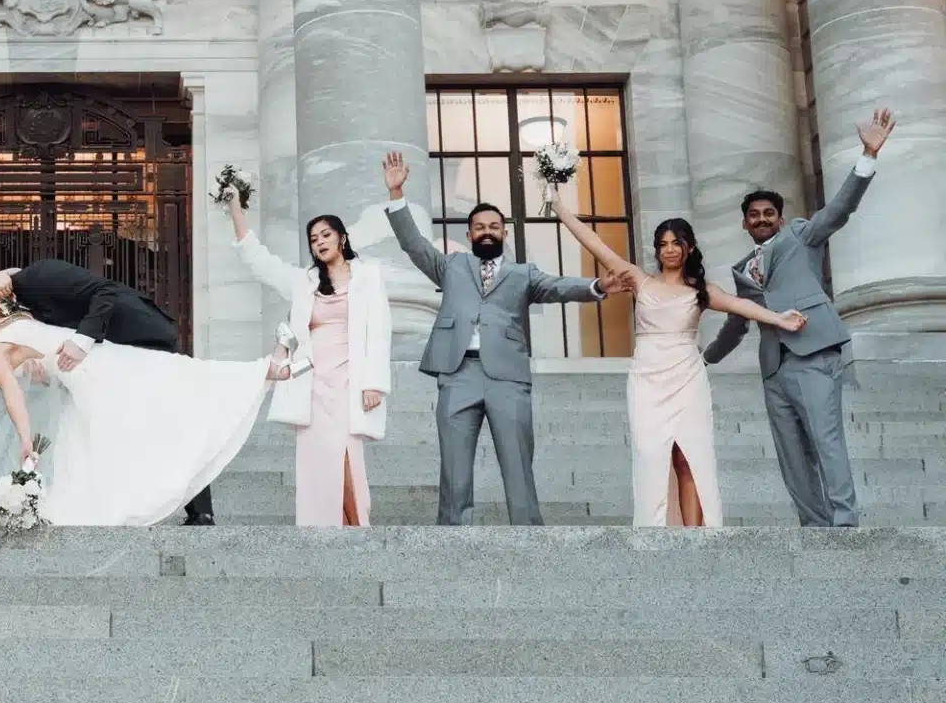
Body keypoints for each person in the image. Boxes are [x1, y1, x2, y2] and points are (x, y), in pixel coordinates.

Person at [380, 151, 626, 526]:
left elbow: (558, 287)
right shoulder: (451, 266)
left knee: (516, 463)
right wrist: (397, 194)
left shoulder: (522, 273)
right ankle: (452, 536)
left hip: (508, 378)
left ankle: (528, 534)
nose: (487, 232)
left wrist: (596, 285)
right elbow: (415, 245)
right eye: (480, 227)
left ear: (504, 232)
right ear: (469, 234)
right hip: (458, 373)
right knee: (455, 470)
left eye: (494, 226)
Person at [0, 296, 301, 527]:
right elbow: (13, 397)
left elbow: (39, 335)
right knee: (175, 380)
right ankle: (266, 369)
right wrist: (24, 439)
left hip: (95, 358)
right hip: (91, 374)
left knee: (176, 374)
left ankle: (266, 370)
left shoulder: (3, 321)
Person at [549, 198, 807, 526]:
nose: (670, 250)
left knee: (689, 458)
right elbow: (594, 242)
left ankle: (695, 538)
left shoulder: (702, 290)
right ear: (657, 250)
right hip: (646, 379)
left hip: (686, 376)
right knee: (652, 456)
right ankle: (656, 532)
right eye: (663, 244)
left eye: (676, 243)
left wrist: (780, 319)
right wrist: (558, 207)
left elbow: (741, 305)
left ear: (689, 247)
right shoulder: (639, 281)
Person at [704, 108, 896, 528]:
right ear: (744, 222)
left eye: (767, 213)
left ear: (779, 216)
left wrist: (867, 157)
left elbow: (839, 210)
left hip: (814, 354)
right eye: (753, 215)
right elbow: (738, 323)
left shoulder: (801, 235)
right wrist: (704, 358)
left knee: (826, 441)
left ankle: (844, 524)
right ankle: (814, 525)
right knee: (791, 453)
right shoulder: (741, 271)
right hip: (774, 367)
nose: (761, 219)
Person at [0, 258, 222, 526]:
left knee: (171, 423)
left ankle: (200, 512)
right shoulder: (15, 298)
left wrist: (82, 340)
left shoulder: (39, 276)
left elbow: (106, 290)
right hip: (112, 358)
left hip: (143, 336)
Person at [226, 190, 392, 525]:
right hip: (312, 382)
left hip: (350, 380)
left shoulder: (369, 276)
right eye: (313, 239)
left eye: (326, 235)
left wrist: (374, 383)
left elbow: (380, 332)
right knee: (315, 461)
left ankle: (356, 526)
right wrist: (234, 210)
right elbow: (259, 261)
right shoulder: (304, 282)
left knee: (347, 456)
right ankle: (318, 530)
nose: (319, 242)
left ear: (342, 238)